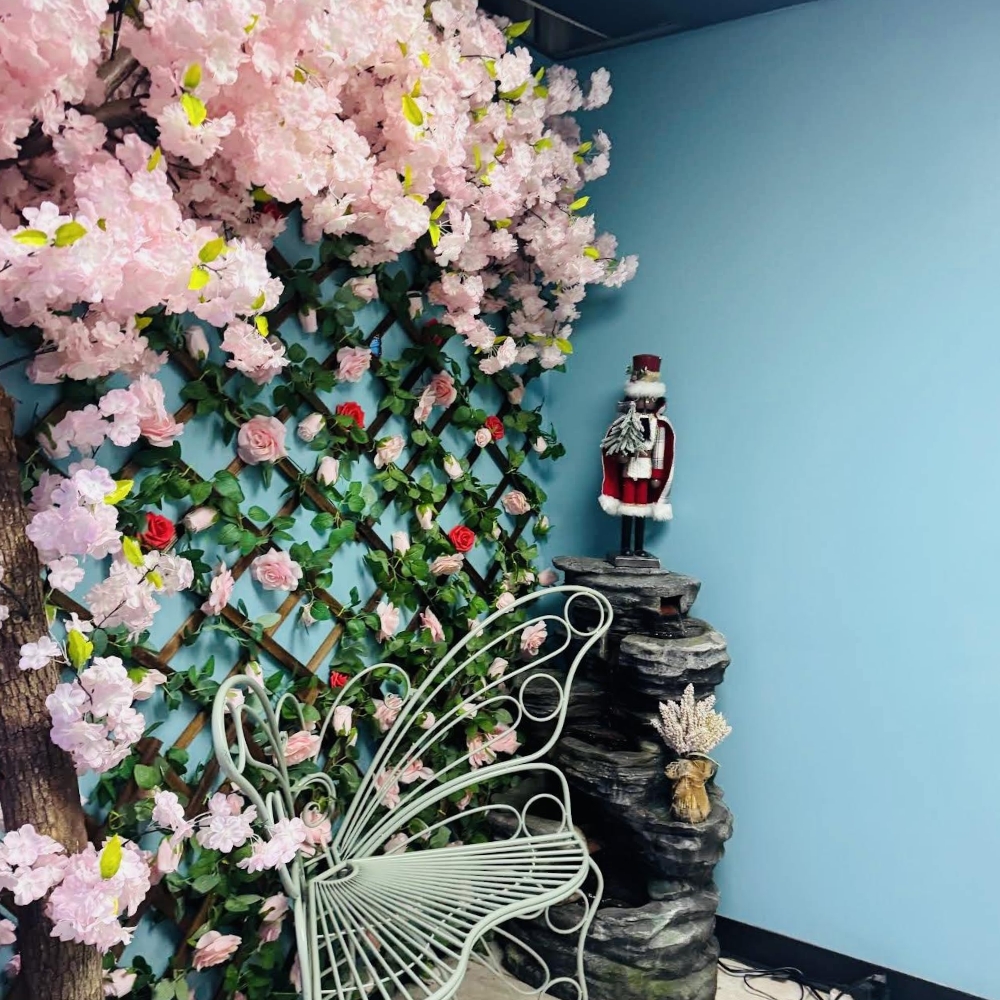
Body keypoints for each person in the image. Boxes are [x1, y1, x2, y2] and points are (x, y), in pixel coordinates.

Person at [598, 354, 675, 557]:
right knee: (627, 510)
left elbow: (660, 450)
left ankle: (639, 547)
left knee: (641, 510)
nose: (644, 402)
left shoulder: (659, 425)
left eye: (649, 399)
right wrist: (621, 456)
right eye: (640, 398)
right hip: (628, 468)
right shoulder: (625, 422)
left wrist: (657, 474)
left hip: (647, 470)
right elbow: (616, 443)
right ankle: (625, 547)